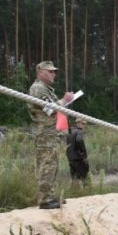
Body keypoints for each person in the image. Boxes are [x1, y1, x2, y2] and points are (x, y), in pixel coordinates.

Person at [27, 61, 74, 209]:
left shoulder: (45, 89)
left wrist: (64, 102)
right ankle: (45, 200)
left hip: (50, 133)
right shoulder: (38, 89)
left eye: (54, 71)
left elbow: (52, 108)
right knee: (47, 165)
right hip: (45, 134)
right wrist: (65, 100)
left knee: (52, 165)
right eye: (50, 71)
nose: (54, 74)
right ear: (40, 72)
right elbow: (51, 109)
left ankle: (50, 196)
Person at [66, 117, 89, 183]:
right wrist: (83, 153)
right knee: (84, 178)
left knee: (74, 178)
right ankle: (87, 191)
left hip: (71, 159)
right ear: (79, 123)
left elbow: (68, 145)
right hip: (79, 158)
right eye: (83, 124)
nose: (84, 126)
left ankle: (75, 191)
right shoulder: (79, 131)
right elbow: (79, 140)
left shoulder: (70, 132)